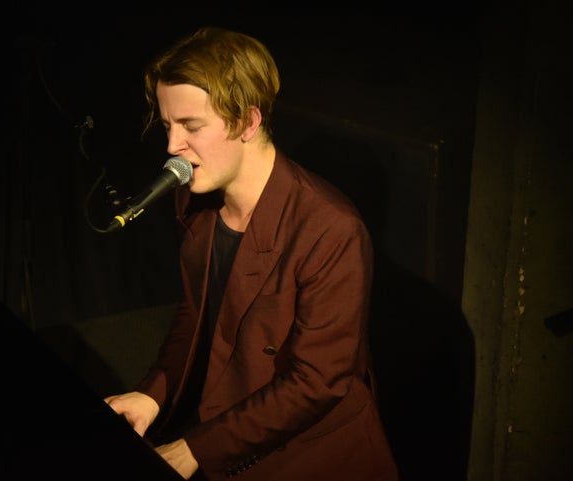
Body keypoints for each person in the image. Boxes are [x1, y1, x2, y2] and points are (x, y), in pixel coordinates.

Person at [104, 26, 399, 481]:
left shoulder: (331, 227)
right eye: (167, 126)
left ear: (247, 122)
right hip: (234, 437)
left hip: (314, 460)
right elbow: (197, 317)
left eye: (192, 126)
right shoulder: (196, 199)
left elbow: (315, 381)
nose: (171, 147)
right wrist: (153, 393)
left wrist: (195, 449)